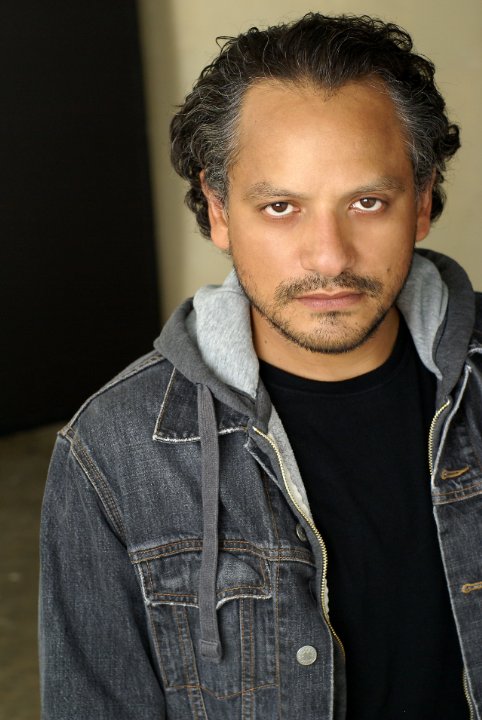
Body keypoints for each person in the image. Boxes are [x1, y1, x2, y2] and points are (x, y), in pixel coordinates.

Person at [39, 13, 482, 719]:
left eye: (367, 202)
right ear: (219, 212)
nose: (330, 256)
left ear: (422, 201)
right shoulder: (114, 450)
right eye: (281, 207)